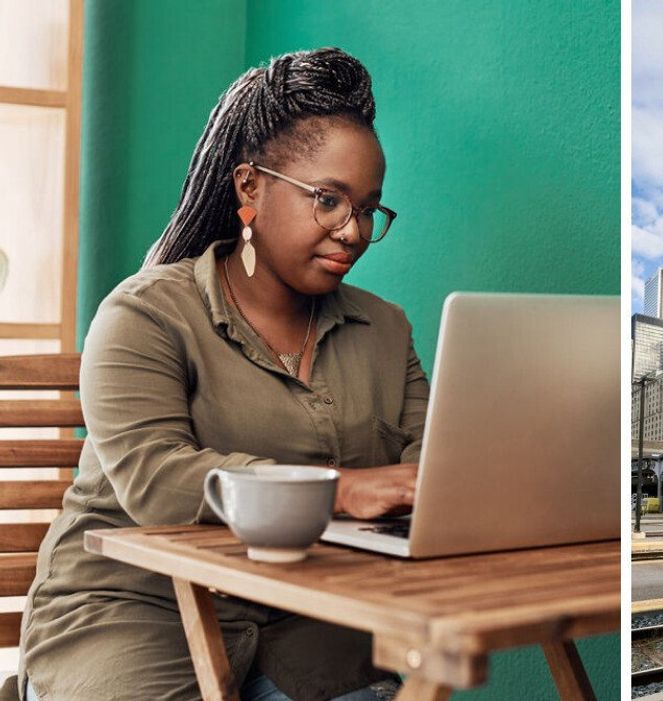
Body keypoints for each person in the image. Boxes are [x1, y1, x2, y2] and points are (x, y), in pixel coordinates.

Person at [18, 48, 428, 701]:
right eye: (328, 200)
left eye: (369, 209)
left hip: (309, 619)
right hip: (134, 614)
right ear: (249, 187)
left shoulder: (386, 329)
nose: (351, 231)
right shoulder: (144, 313)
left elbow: (431, 462)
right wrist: (342, 489)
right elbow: (157, 478)